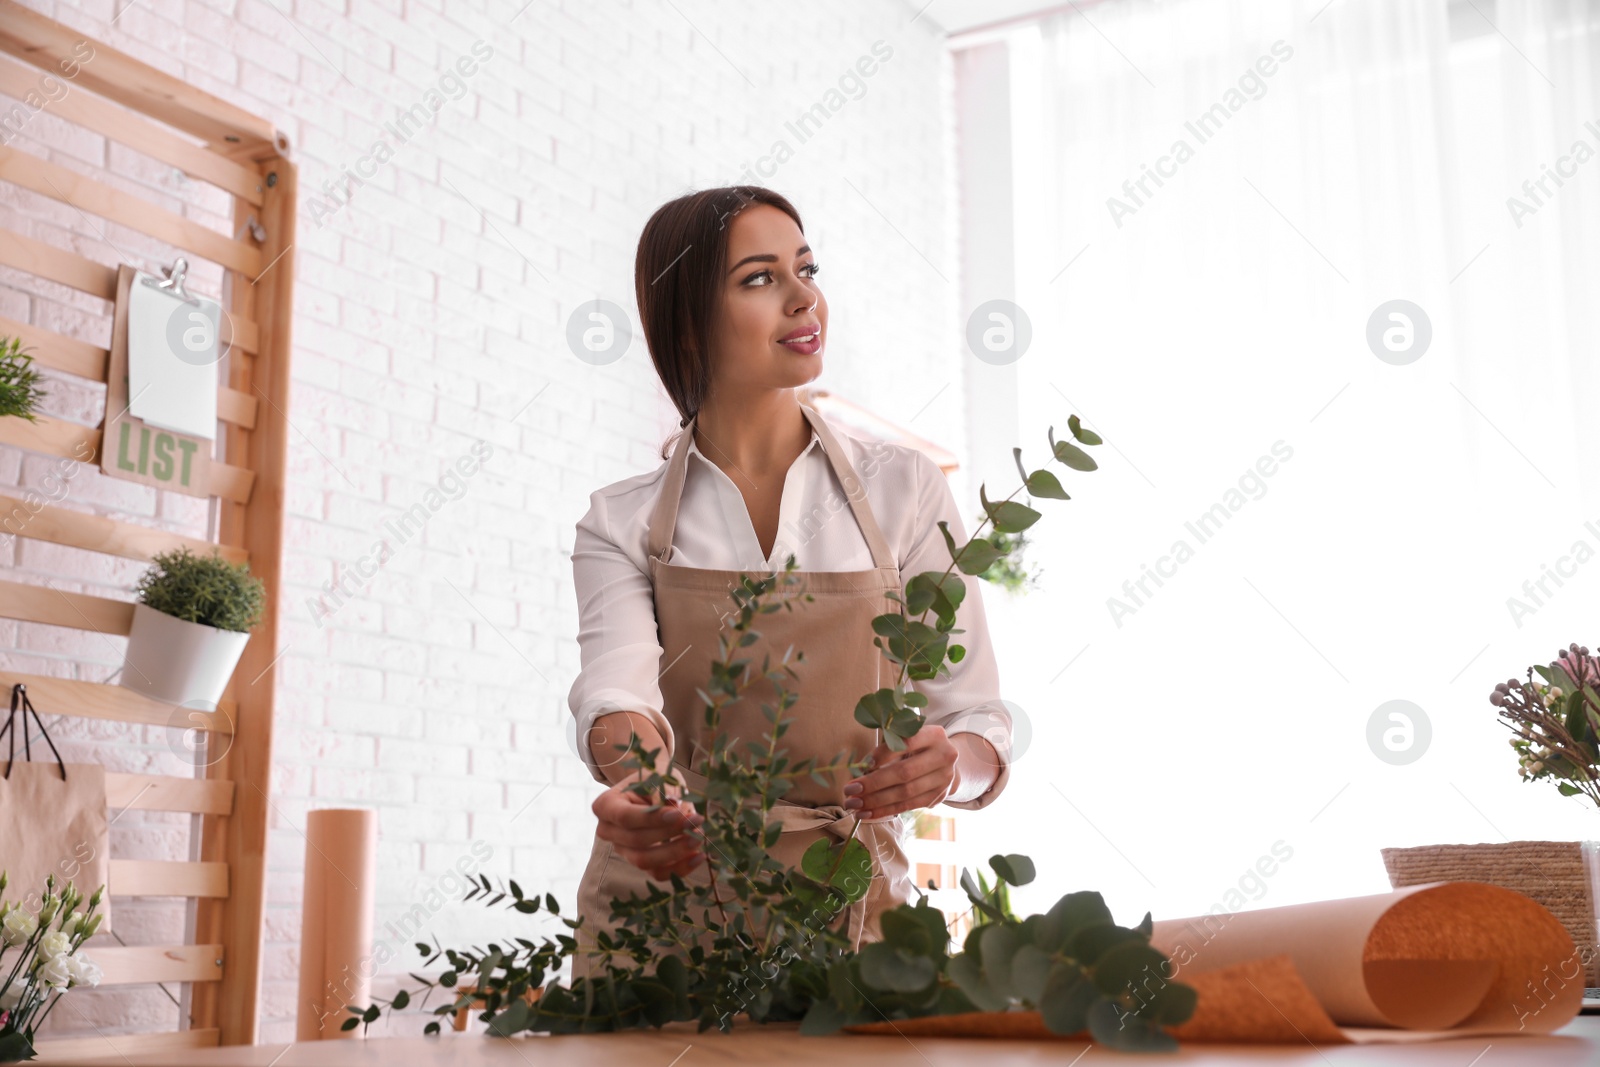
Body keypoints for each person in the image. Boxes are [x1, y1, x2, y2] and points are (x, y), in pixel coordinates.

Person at [565, 186, 1012, 981]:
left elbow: (975, 716)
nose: (806, 296)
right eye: (760, 277)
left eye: (806, 267)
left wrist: (952, 764)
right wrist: (643, 781)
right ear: (688, 317)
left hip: (854, 919)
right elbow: (616, 695)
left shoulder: (904, 492)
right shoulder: (621, 522)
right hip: (662, 925)